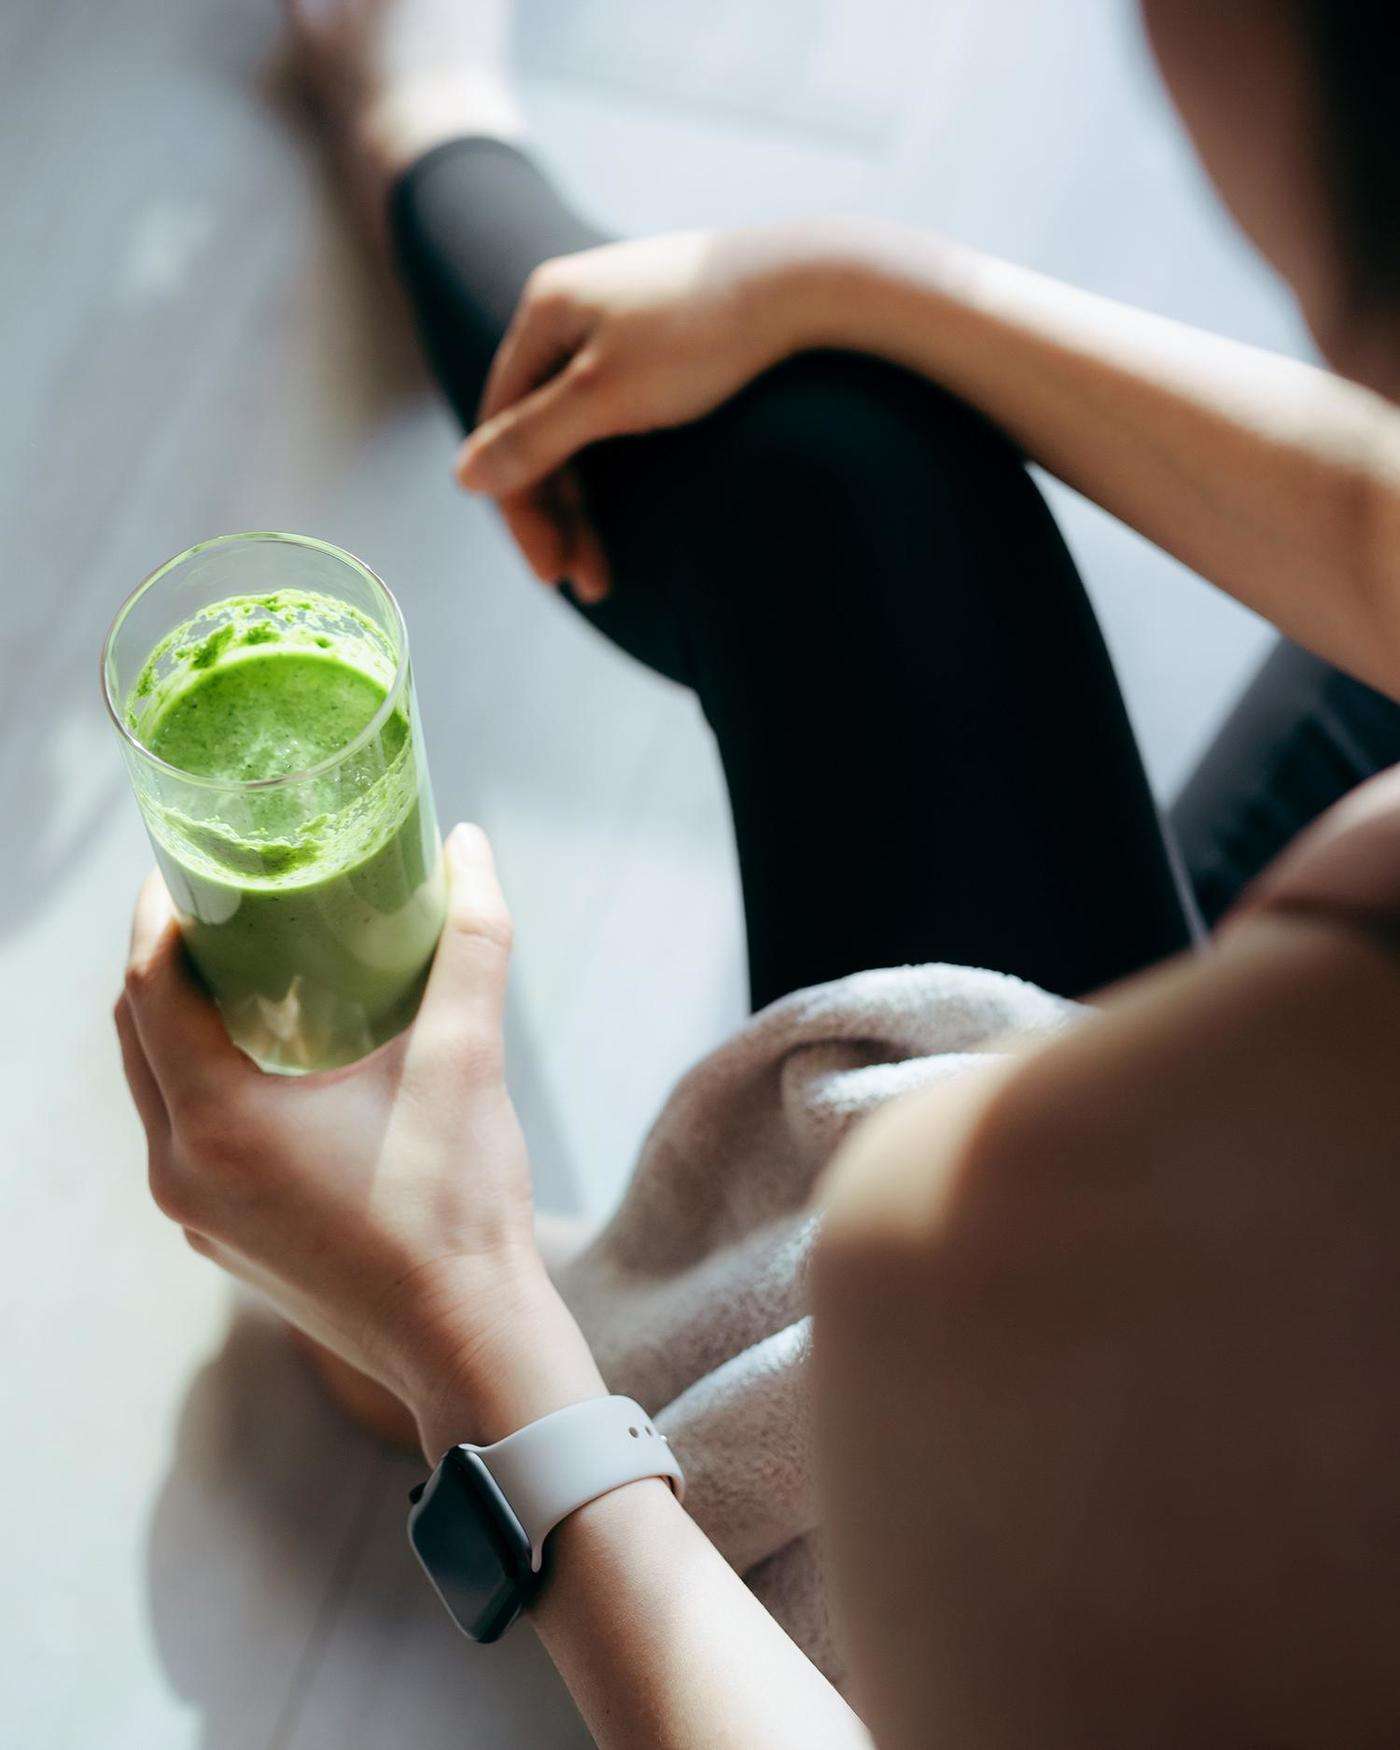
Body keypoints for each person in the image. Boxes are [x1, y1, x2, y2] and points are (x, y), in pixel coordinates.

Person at [114, 0, 1400, 1742]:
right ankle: (428, 109)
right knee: (831, 426)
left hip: (1085, 1523)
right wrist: (848, 278)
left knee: (830, 477)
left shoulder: (971, 1253)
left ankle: (522, 1337)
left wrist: (456, 1311)